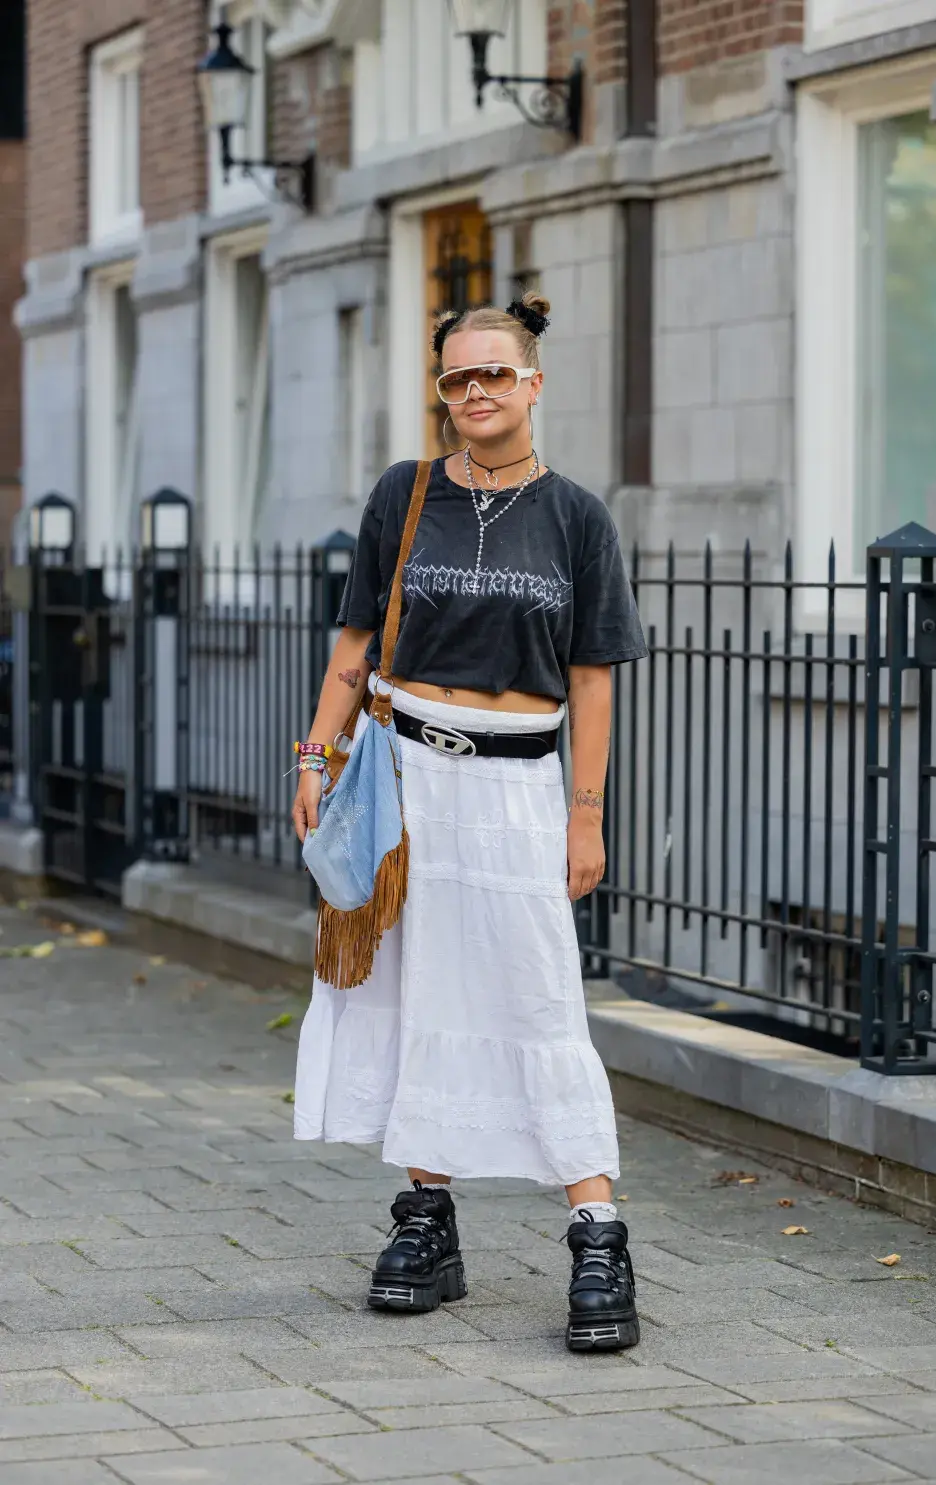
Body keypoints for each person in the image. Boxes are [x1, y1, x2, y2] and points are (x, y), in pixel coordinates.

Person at [291, 291, 647, 1352]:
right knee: (414, 990)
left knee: (539, 999)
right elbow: (355, 644)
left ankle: (596, 1229)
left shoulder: (576, 515)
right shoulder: (404, 497)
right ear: (441, 391)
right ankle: (427, 1223)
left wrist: (586, 815)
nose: (475, 391)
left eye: (494, 373)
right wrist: (317, 753)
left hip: (516, 788)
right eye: (457, 378)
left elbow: (593, 680)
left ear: (533, 383)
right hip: (404, 782)